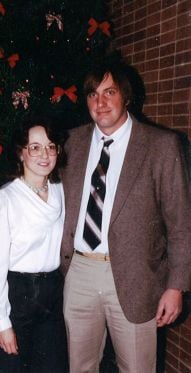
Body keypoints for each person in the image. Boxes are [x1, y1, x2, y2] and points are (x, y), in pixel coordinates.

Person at [60, 59, 191, 373]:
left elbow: (181, 223)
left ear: (126, 97)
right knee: (80, 367)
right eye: (93, 94)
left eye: (109, 92)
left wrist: (176, 287)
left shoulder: (160, 146)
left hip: (137, 278)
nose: (100, 102)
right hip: (79, 272)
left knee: (136, 368)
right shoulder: (72, 143)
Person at [0, 115, 68, 373]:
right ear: (21, 153)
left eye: (51, 146)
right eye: (35, 147)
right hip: (16, 297)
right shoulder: (4, 200)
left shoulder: (60, 190)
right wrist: (1, 323)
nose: (45, 154)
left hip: (51, 296)